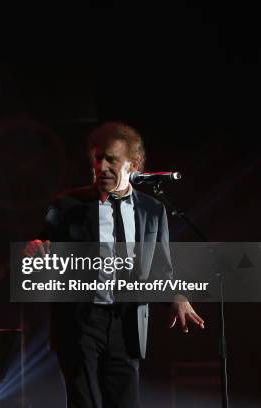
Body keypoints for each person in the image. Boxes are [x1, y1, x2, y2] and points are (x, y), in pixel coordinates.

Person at [25, 122, 205, 407]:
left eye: (112, 159)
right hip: (80, 321)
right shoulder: (67, 204)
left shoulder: (152, 210)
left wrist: (176, 296)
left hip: (127, 323)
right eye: (98, 158)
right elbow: (40, 244)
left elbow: (160, 269)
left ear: (132, 164)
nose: (102, 166)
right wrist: (34, 250)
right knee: (85, 402)